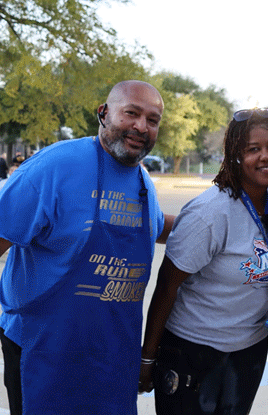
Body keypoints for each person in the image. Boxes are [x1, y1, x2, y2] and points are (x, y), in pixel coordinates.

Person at [0, 80, 175, 415]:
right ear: (103, 114)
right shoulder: (53, 168)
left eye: (152, 120)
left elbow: (155, 226)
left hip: (111, 353)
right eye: (131, 113)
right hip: (42, 348)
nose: (141, 126)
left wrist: (215, 221)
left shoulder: (142, 182)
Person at [138, 108, 268, 415]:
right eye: (253, 149)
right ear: (234, 155)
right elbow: (166, 287)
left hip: (249, 350)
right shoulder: (210, 213)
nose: (266, 156)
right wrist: (147, 359)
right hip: (194, 352)